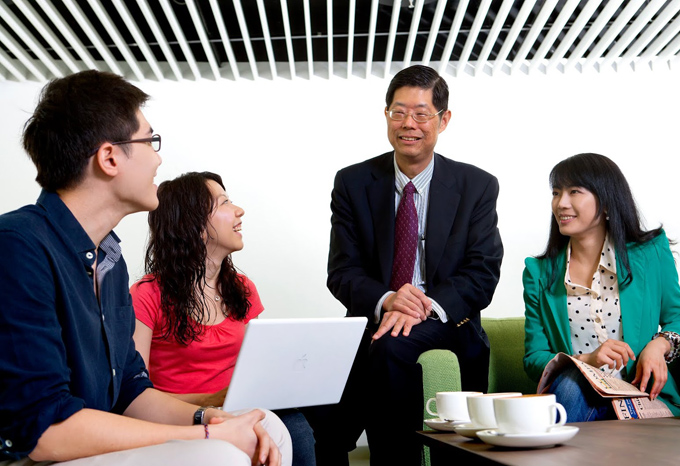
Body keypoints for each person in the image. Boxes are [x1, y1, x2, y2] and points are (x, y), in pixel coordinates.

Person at [0, 70, 290, 466]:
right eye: (150, 140)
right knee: (218, 455)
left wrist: (211, 417)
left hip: (90, 439)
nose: (158, 157)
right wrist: (207, 434)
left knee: (267, 427)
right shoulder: (18, 245)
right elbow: (44, 431)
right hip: (42, 454)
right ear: (109, 157)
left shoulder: (110, 259)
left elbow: (132, 392)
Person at [303, 65, 503, 466]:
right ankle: (332, 439)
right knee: (313, 401)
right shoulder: (353, 182)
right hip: (376, 314)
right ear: (386, 115)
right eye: (398, 112)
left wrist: (421, 305)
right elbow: (342, 272)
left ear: (443, 120)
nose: (408, 124)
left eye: (421, 113)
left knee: (390, 347)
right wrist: (391, 298)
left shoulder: (476, 185)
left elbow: (482, 274)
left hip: (448, 321)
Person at [130, 171, 315, 466]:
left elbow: (261, 365)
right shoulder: (146, 296)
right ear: (194, 226)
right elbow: (133, 393)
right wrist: (212, 400)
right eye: (224, 203)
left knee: (300, 424)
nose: (239, 210)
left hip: (242, 409)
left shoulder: (243, 289)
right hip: (182, 418)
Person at [523, 152, 680, 421]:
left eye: (574, 191)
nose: (561, 203)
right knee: (570, 384)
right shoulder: (539, 273)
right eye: (556, 193)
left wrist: (658, 346)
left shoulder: (651, 253)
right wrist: (586, 360)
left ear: (605, 203)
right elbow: (534, 358)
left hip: (642, 396)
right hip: (577, 395)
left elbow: (679, 322)